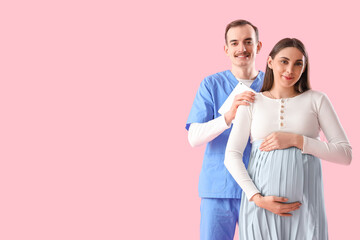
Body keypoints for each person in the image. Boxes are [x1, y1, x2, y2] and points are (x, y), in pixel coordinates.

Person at [186, 20, 303, 240]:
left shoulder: (272, 84)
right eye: (235, 43)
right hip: (219, 189)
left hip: (264, 188)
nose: (242, 49)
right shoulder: (211, 85)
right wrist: (228, 116)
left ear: (259, 47)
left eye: (248, 42)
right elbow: (194, 137)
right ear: (226, 49)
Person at [224, 38, 352, 239]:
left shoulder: (317, 99)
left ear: (304, 67)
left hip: (306, 210)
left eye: (298, 63)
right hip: (261, 209)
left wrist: (296, 140)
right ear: (270, 62)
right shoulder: (251, 101)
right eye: (284, 61)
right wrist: (257, 198)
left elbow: (345, 154)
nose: (290, 69)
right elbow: (231, 155)